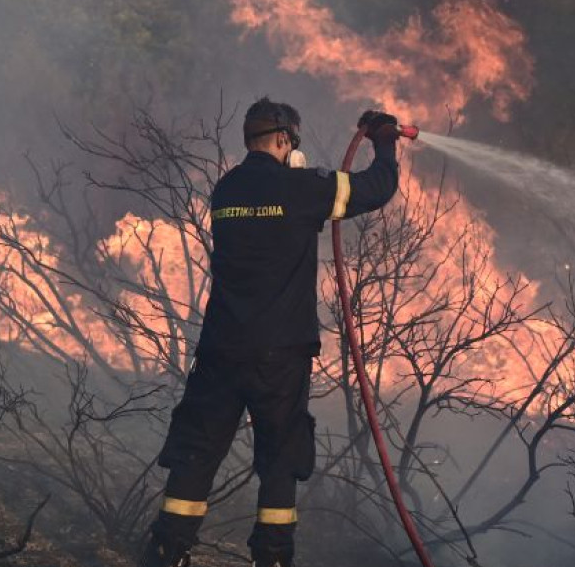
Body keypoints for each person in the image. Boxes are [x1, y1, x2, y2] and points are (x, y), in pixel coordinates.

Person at [139, 99, 405, 567]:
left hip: (221, 348)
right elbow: (378, 188)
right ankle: (274, 558)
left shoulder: (225, 190)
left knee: (197, 453)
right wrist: (383, 138)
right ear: (285, 140)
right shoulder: (302, 187)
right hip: (280, 354)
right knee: (280, 460)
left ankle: (166, 552)